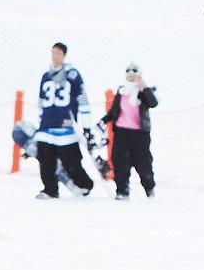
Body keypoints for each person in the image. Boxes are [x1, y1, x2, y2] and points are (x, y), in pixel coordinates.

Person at [30, 42, 96, 198]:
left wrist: (86, 126)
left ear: (64, 55)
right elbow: (41, 101)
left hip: (66, 125)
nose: (55, 56)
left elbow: (82, 100)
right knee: (46, 161)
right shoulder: (46, 76)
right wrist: (41, 120)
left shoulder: (72, 75)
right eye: (53, 52)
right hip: (47, 126)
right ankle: (50, 189)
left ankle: (84, 185)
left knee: (71, 161)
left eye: (58, 53)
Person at [104, 65, 159, 198]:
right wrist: (102, 121)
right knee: (120, 162)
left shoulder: (144, 93)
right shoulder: (122, 92)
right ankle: (122, 190)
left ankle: (149, 188)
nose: (131, 76)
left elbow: (153, 103)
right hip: (121, 132)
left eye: (134, 73)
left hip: (140, 134)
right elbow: (114, 111)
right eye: (128, 73)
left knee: (143, 162)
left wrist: (144, 87)